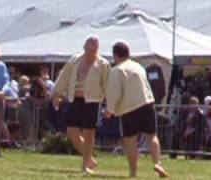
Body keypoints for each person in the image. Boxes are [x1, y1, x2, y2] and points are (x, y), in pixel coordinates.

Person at [105, 41, 169, 178]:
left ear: (115, 55)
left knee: (130, 141)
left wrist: (109, 109)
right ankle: (157, 162)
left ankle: (133, 172)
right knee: (152, 136)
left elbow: (114, 91)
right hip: (147, 103)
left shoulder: (117, 70)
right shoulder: (138, 66)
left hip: (129, 108)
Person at [52, 35, 110, 174]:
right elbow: (64, 77)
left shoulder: (103, 64)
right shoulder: (75, 60)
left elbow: (108, 85)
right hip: (75, 99)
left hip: (93, 101)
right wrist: (56, 94)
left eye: (95, 45)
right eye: (90, 44)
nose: (92, 47)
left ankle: (85, 165)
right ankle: (88, 157)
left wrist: (110, 105)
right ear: (84, 47)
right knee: (72, 132)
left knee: (89, 133)